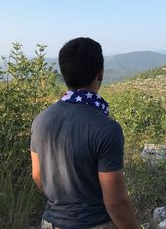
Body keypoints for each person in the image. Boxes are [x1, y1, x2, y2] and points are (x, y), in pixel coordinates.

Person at [30, 37, 139, 229]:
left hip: (50, 222)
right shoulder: (106, 128)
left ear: (64, 74)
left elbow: (38, 176)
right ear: (101, 73)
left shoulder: (41, 121)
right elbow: (116, 203)